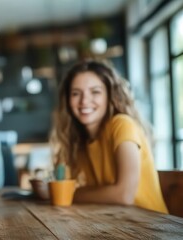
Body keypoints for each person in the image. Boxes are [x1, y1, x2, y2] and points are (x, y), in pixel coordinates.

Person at [49, 59, 168, 213]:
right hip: (116, 225)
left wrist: (72, 193)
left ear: (110, 95)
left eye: (95, 92)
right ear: (67, 101)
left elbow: (124, 195)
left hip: (151, 228)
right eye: (76, 93)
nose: (84, 101)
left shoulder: (122, 124)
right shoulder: (80, 140)